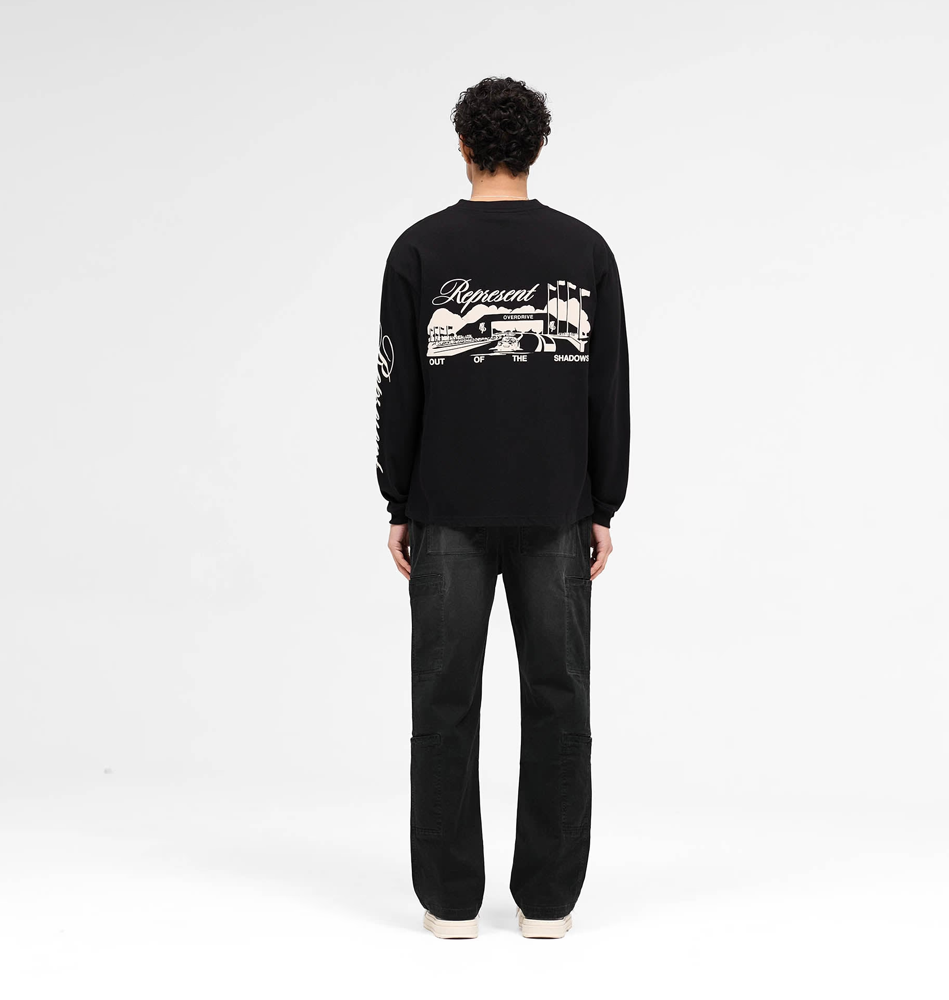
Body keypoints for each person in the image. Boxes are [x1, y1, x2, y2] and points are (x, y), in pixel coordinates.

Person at [374, 76, 630, 940]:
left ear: (462, 146)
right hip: (557, 508)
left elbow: (398, 388)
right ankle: (548, 902)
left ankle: (450, 903)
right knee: (559, 700)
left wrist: (398, 498)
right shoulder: (584, 251)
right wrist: (603, 502)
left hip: (446, 507)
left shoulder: (419, 250)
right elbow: (608, 389)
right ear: (538, 147)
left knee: (444, 702)